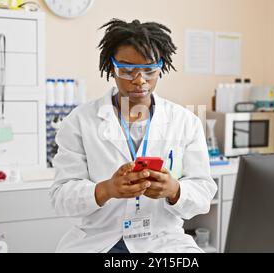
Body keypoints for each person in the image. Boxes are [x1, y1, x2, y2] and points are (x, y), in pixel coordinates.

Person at [50, 18, 217, 253]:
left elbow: (202, 192)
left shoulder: (185, 122)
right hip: (99, 241)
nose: (139, 80)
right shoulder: (80, 121)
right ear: (111, 68)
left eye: (149, 70)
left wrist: (174, 190)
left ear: (161, 67)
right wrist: (106, 189)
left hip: (162, 241)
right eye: (127, 71)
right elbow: (60, 197)